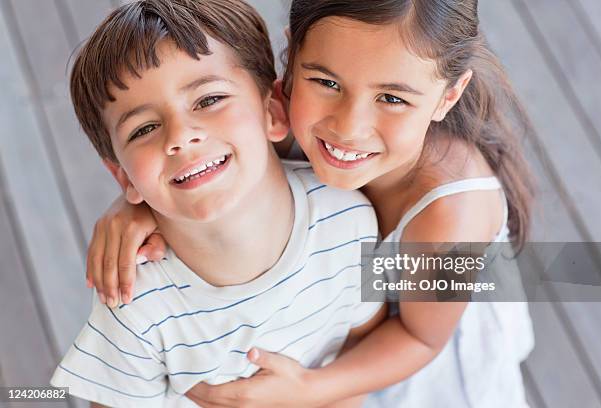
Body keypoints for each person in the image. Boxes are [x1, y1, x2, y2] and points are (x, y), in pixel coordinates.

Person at [89, 0, 536, 407]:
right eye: (326, 82)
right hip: (327, 337)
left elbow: (420, 338)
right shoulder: (288, 121)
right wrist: (135, 204)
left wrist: (309, 390)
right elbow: (204, 163)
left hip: (412, 364)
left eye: (392, 98)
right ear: (292, 57)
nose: (348, 126)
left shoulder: (453, 217)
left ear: (448, 96)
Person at [49, 1, 386, 406]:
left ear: (273, 110)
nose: (180, 135)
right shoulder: (134, 303)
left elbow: (377, 344)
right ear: (122, 176)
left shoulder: (351, 223)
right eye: (145, 128)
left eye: (208, 100)